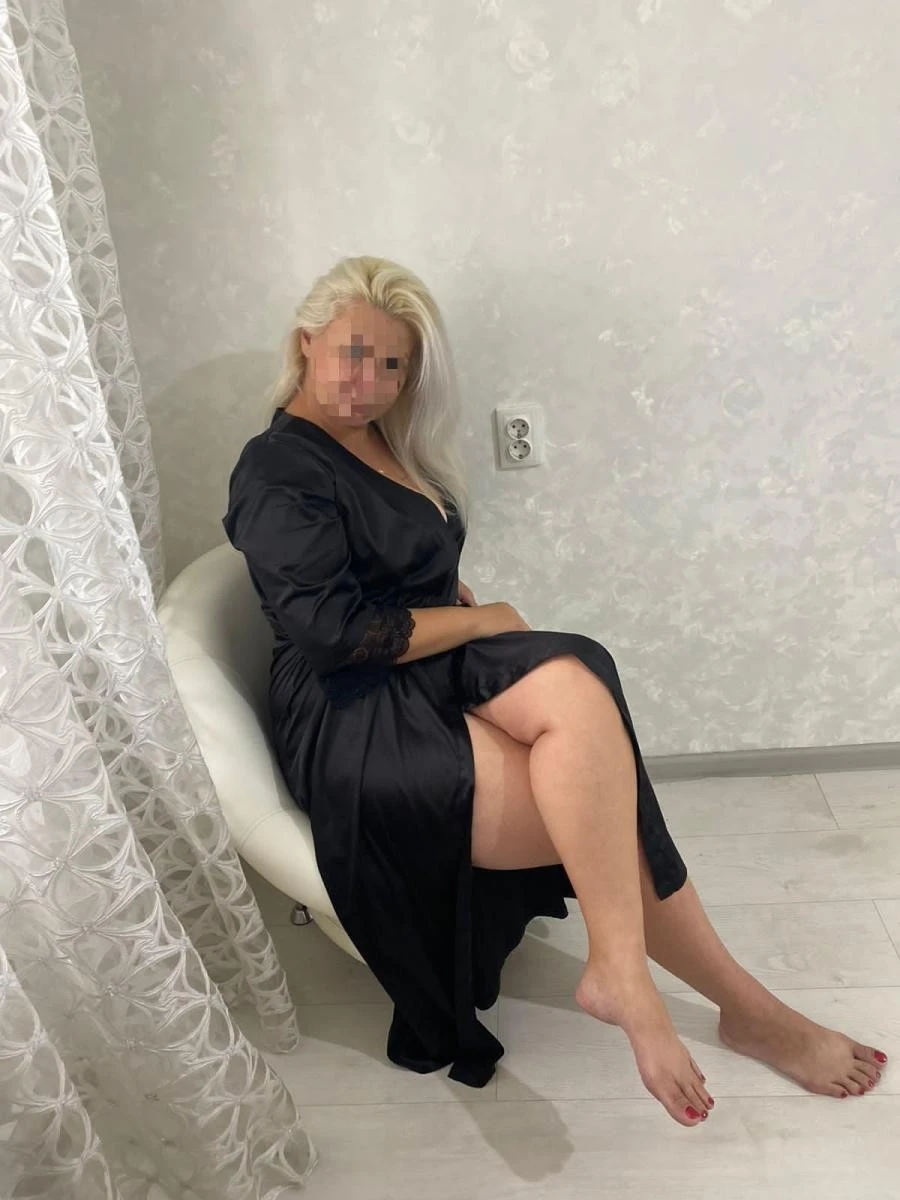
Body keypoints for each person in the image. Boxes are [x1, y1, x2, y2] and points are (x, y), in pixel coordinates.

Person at [222, 255, 887, 1127]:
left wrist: (456, 602)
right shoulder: (276, 466)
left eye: (393, 365)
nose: (371, 382)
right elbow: (336, 634)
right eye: (354, 352)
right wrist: (482, 620)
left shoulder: (380, 437)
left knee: (577, 678)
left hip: (418, 670)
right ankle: (737, 1007)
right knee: (600, 804)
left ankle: (624, 968)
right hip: (352, 712)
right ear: (307, 342)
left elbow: (396, 565)